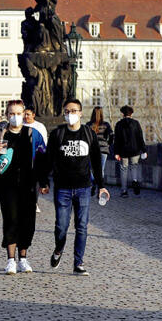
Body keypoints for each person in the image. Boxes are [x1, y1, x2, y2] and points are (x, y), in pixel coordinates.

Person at [47, 98, 109, 276]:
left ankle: (78, 262)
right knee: (61, 227)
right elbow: (49, 160)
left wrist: (101, 186)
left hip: (83, 187)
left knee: (82, 226)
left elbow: (97, 162)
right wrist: (43, 182)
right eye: (67, 111)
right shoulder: (57, 134)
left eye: (74, 111)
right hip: (63, 188)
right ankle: (59, 249)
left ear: (81, 113)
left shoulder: (89, 134)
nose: (70, 114)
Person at [0, 100, 48, 275]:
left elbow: (42, 158)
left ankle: (23, 258)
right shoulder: (0, 134)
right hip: (6, 184)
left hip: (28, 184)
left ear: (24, 114)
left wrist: (44, 181)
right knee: (10, 219)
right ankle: (10, 260)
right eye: (11, 113)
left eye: (18, 113)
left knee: (27, 221)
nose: (15, 117)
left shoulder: (33, 134)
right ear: (7, 115)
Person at [113, 105, 147, 197]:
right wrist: (144, 150)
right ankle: (135, 180)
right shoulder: (136, 123)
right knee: (134, 167)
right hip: (135, 150)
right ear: (131, 114)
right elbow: (140, 137)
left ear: (122, 114)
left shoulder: (119, 124)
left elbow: (117, 140)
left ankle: (124, 191)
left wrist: (116, 152)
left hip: (123, 151)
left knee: (124, 169)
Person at [23, 107, 48, 213]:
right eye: (24, 114)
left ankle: (34, 202)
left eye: (28, 114)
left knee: (35, 182)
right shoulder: (21, 126)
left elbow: (44, 143)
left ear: (33, 115)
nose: (26, 116)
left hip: (36, 158)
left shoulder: (39, 126)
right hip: (23, 158)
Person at [87, 106, 114, 191]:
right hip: (103, 149)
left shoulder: (89, 125)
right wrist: (108, 144)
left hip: (92, 149)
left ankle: (93, 181)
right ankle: (100, 186)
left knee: (90, 169)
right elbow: (112, 135)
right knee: (101, 169)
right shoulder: (106, 125)